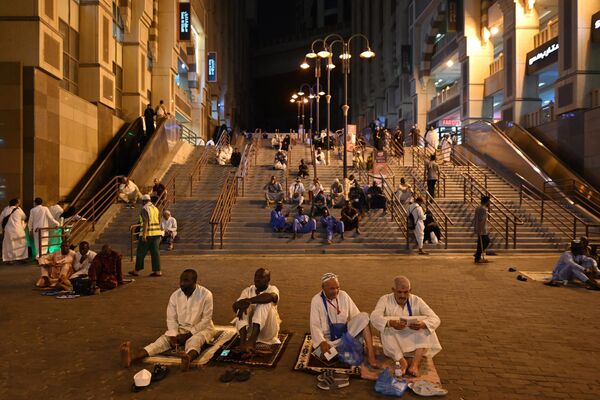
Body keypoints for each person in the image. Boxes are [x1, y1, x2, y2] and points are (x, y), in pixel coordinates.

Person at [120, 269, 216, 371]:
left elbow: (206, 320)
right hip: (181, 328)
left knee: (195, 341)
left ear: (194, 282)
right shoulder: (175, 296)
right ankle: (132, 357)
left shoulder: (206, 295)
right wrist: (173, 335)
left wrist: (189, 334)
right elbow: (171, 319)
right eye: (181, 280)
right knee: (161, 341)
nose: (182, 284)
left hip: (202, 328)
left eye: (186, 281)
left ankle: (188, 358)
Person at [370, 276, 442, 376]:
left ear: (410, 291)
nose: (403, 295)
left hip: (413, 342)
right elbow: (374, 317)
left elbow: (435, 319)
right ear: (393, 290)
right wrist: (391, 323)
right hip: (394, 341)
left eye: (406, 292)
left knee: (427, 325)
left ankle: (414, 365)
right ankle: (402, 361)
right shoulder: (385, 299)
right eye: (399, 292)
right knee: (385, 327)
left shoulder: (417, 300)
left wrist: (422, 324)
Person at [310, 273, 377, 367]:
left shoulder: (344, 295)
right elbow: (315, 325)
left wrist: (357, 332)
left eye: (338, 287)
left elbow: (356, 316)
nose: (336, 291)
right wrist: (322, 342)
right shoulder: (316, 300)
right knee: (324, 355)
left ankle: (371, 355)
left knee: (364, 317)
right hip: (328, 341)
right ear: (323, 287)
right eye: (332, 289)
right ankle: (349, 351)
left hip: (345, 336)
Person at [232, 268, 281, 356]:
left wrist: (249, 301)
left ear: (268, 280)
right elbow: (235, 306)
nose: (257, 279)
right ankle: (243, 342)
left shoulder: (273, 289)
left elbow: (270, 297)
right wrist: (241, 305)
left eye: (261, 277)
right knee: (243, 307)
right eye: (256, 276)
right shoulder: (247, 290)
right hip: (248, 332)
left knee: (263, 302)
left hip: (267, 331)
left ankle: (251, 342)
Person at [130, 194, 162, 276]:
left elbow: (145, 222)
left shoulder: (145, 208)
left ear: (144, 201)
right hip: (157, 233)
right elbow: (158, 220)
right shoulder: (155, 208)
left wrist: (144, 235)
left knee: (140, 252)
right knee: (155, 253)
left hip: (148, 234)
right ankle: (157, 271)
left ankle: (137, 270)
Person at [1, 198, 28, 264]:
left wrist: (1, 230)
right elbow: (24, 217)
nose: (19, 203)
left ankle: (10, 259)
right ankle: (20, 258)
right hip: (18, 229)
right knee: (21, 243)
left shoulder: (6, 209)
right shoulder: (19, 209)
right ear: (16, 203)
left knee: (9, 244)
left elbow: (1, 219)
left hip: (8, 230)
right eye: (19, 202)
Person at [473, 196, 490, 263]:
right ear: (486, 202)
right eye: (489, 201)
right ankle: (477, 255)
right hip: (482, 229)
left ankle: (477, 257)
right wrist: (481, 229)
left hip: (478, 227)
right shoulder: (483, 209)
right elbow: (482, 220)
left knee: (480, 243)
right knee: (486, 241)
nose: (489, 203)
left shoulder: (478, 208)